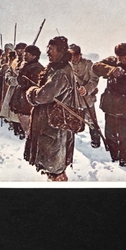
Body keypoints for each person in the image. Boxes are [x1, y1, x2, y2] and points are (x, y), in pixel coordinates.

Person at [24, 36, 77, 182]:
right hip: (51, 123)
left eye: (51, 49)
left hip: (54, 126)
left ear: (61, 51)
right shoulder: (57, 68)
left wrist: (31, 91)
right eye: (48, 48)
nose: (47, 52)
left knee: (55, 168)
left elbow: (43, 96)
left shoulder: (61, 73)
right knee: (53, 167)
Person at [92, 43, 126, 167]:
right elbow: (95, 67)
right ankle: (114, 157)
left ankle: (124, 161)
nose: (123, 61)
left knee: (124, 136)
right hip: (110, 105)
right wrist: (112, 70)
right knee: (109, 134)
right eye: (120, 58)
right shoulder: (111, 62)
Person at [68, 43, 101, 148]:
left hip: (87, 98)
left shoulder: (88, 64)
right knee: (72, 120)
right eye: (71, 56)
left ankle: (95, 141)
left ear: (80, 55)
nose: (73, 58)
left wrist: (86, 89)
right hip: (73, 99)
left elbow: (94, 79)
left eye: (75, 55)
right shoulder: (67, 66)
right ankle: (72, 141)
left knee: (92, 120)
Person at [10, 44, 44, 137]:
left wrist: (23, 81)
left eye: (27, 54)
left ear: (34, 56)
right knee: (23, 121)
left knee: (29, 124)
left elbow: (35, 84)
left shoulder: (37, 68)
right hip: (21, 99)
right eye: (25, 53)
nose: (25, 55)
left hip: (28, 101)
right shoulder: (26, 65)